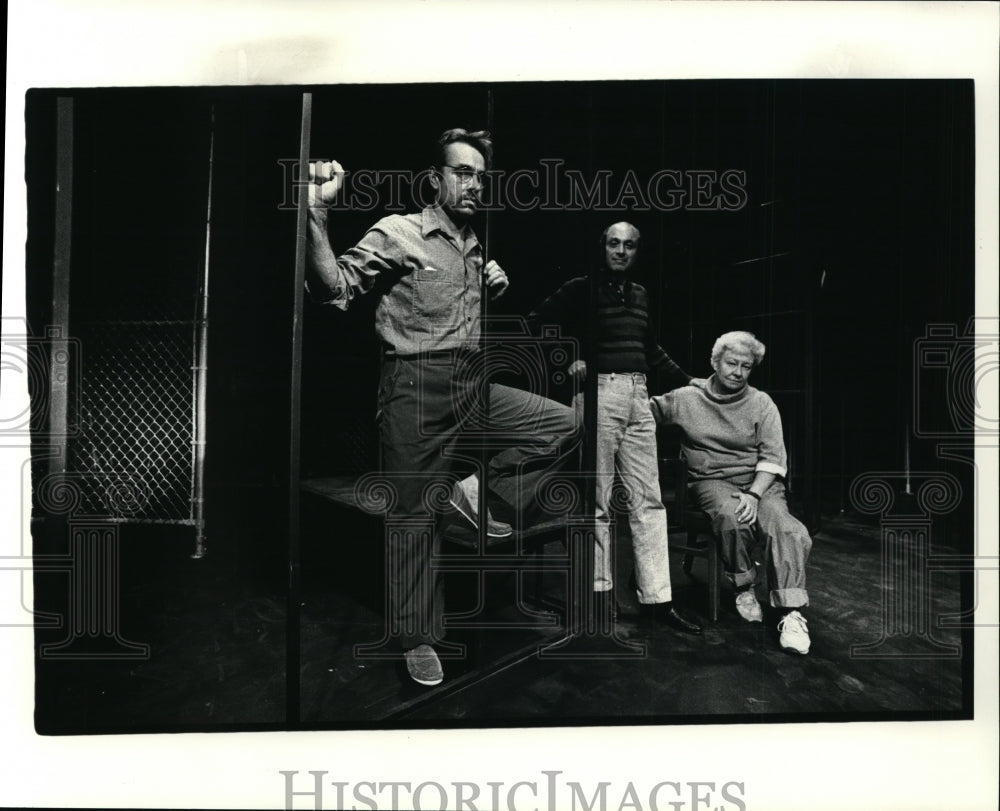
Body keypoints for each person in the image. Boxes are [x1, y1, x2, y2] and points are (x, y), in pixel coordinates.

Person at [305, 129, 576, 686]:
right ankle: (418, 637)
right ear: (436, 179)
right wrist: (314, 215)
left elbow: (463, 313)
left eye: (480, 175)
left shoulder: (475, 247)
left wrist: (491, 286)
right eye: (462, 172)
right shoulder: (400, 232)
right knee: (412, 517)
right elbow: (336, 289)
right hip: (414, 387)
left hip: (473, 384)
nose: (473, 184)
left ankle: (479, 490)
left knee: (566, 423)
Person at [528, 222, 702, 635]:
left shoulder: (640, 293)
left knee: (650, 501)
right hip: (601, 393)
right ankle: (600, 598)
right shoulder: (581, 287)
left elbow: (650, 348)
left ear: (637, 252)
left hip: (639, 397)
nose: (621, 251)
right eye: (613, 243)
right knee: (599, 503)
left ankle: (658, 600)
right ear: (602, 247)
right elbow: (536, 322)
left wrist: (686, 379)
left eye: (629, 246)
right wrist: (567, 359)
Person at [648, 331, 813, 654]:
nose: (738, 372)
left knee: (788, 529)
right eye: (731, 363)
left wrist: (753, 494)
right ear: (715, 362)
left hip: (759, 483)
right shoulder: (685, 398)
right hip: (710, 481)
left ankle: (791, 612)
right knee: (731, 516)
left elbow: (773, 458)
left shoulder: (761, 403)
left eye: (746, 366)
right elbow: (641, 414)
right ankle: (743, 586)